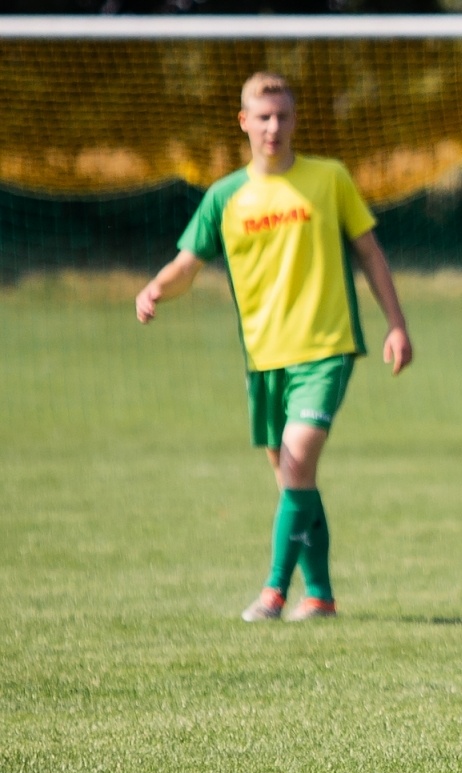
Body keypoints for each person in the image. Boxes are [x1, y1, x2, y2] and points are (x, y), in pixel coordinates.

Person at [135, 72, 412, 622]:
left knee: (298, 459)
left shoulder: (328, 179)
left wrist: (396, 323)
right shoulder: (225, 196)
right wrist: (155, 290)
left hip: (326, 347)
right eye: (263, 116)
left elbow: (370, 252)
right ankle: (323, 597)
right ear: (244, 122)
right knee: (294, 479)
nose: (274, 126)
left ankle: (273, 593)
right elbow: (189, 265)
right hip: (263, 358)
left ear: (295, 119)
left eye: (283, 115)